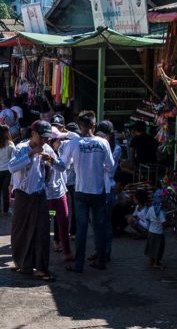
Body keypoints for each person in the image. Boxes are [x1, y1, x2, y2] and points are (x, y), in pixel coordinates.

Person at [59, 111, 114, 272]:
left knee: (81, 230)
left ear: (80, 126)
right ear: (94, 125)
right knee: (100, 228)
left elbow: (64, 165)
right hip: (98, 192)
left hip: (81, 192)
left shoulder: (73, 144)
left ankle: (78, 265)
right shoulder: (103, 143)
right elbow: (110, 167)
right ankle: (101, 261)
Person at [8, 121, 59, 281]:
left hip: (39, 195)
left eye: (46, 138)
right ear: (33, 134)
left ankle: (42, 268)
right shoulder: (20, 148)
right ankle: (22, 262)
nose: (44, 140)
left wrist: (51, 159)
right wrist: (31, 153)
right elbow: (11, 167)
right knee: (20, 231)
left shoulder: (48, 149)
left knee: (42, 231)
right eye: (42, 137)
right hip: (22, 195)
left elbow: (62, 167)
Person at [96, 120, 122, 264]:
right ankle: (98, 250)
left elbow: (108, 168)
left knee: (105, 223)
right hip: (97, 188)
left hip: (107, 189)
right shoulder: (100, 145)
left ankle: (106, 252)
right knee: (96, 223)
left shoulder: (116, 148)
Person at [47, 128, 73, 263]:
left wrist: (66, 133)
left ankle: (66, 252)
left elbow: (75, 137)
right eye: (59, 140)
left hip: (61, 194)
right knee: (49, 219)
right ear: (52, 141)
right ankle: (44, 250)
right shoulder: (44, 152)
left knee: (63, 221)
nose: (61, 142)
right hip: (48, 198)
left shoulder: (60, 152)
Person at [143, 190, 167, 269]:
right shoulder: (160, 212)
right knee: (157, 249)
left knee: (151, 248)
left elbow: (147, 218)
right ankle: (156, 263)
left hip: (151, 232)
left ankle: (151, 261)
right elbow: (163, 223)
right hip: (158, 233)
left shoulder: (150, 208)